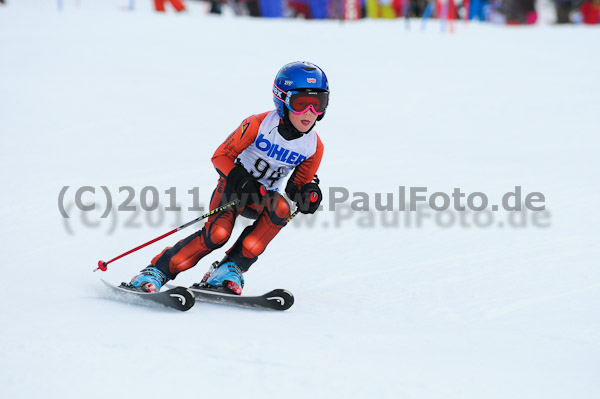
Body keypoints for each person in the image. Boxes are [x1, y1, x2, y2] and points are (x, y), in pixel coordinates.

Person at [128, 61, 329, 295]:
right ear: (283, 100)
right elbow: (221, 156)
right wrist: (242, 180)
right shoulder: (258, 124)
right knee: (217, 234)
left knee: (282, 209)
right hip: (233, 188)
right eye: (301, 104)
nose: (310, 113)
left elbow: (299, 185)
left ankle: (228, 270)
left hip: (261, 197)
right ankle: (157, 271)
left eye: (318, 104)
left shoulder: (313, 146)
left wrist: (308, 194)